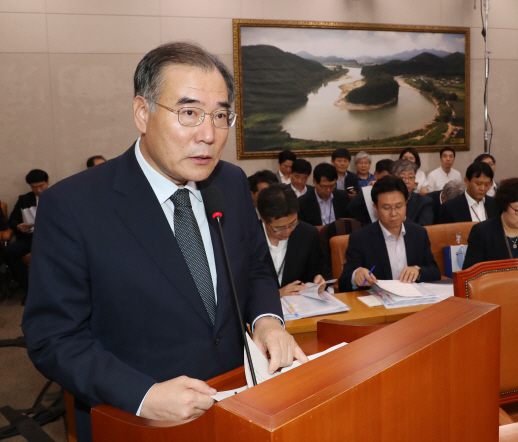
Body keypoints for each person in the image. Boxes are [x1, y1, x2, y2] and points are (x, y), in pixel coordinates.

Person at [21, 42, 306, 442]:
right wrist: (143, 395)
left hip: (236, 402)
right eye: (189, 113)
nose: (208, 135)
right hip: (133, 422)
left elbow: (255, 266)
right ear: (143, 113)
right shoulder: (73, 205)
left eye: (221, 115)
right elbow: (53, 337)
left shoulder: (231, 183)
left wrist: (267, 322)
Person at [338, 176, 441, 292]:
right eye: (386, 208)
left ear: (406, 203)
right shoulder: (360, 238)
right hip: (379, 304)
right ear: (375, 208)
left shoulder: (419, 233)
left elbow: (434, 271)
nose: (394, 213)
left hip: (413, 300)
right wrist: (356, 275)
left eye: (398, 206)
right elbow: (343, 282)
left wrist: (418, 271)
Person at [257, 184, 325, 297]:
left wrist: (319, 281)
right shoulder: (247, 239)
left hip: (299, 307)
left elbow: (317, 271)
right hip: (260, 309)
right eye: (280, 228)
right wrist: (276, 294)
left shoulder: (307, 234)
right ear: (263, 219)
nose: (288, 231)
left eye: (293, 223)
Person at [4, 169, 49, 292]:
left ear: (47, 182)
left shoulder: (56, 197)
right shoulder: (24, 199)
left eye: (41, 186)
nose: (38, 191)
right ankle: (30, 289)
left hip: (51, 237)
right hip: (30, 238)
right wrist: (18, 226)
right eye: (34, 187)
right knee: (9, 251)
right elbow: (12, 220)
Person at [347, 159, 394, 225]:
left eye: (392, 178)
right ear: (375, 175)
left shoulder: (398, 191)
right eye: (385, 178)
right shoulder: (367, 192)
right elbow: (351, 209)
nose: (388, 182)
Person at [391, 159, 434, 226]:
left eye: (411, 177)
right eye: (402, 178)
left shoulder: (424, 202)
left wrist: (403, 218)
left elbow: (424, 230)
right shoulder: (387, 200)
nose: (407, 181)